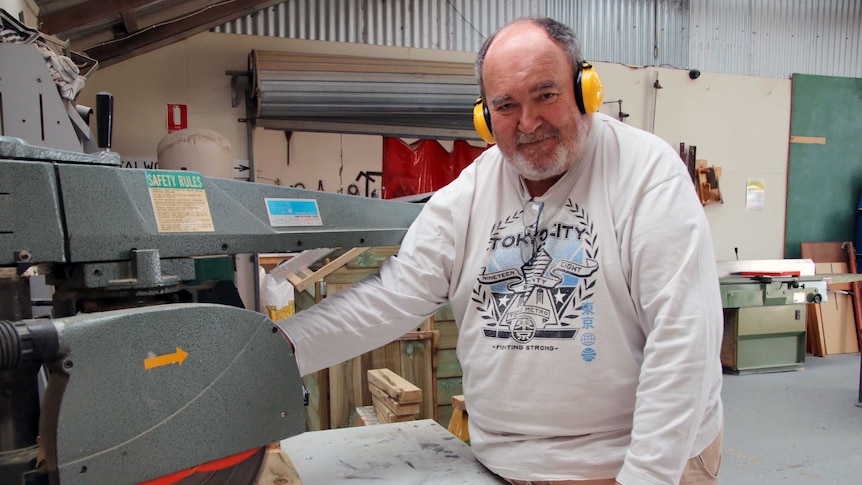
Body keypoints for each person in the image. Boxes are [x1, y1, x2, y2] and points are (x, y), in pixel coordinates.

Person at [278, 16, 723, 485]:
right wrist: (279, 348)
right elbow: (392, 295)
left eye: (545, 95)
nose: (528, 123)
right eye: (506, 105)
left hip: (632, 463)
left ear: (585, 89)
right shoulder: (470, 193)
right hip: (504, 466)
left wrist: (649, 476)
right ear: (484, 116)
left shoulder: (647, 175)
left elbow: (683, 341)